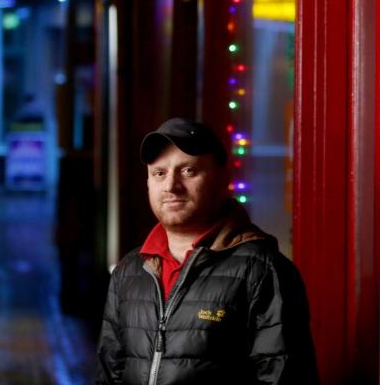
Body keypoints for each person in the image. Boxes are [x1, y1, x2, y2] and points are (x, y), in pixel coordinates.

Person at [96, 117, 318, 384]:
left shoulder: (262, 270)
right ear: (148, 183)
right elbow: (110, 375)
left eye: (188, 171)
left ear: (222, 178)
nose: (170, 186)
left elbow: (283, 379)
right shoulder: (129, 271)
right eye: (159, 173)